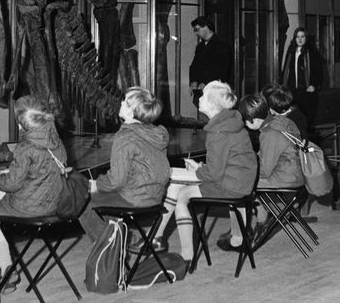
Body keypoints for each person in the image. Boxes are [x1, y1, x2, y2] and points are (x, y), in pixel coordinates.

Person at [153, 81, 257, 264]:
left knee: (175, 185)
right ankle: (156, 238)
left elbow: (214, 174)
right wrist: (201, 167)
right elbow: (226, 162)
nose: (199, 98)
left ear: (212, 105)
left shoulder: (218, 132)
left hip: (230, 186)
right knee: (177, 186)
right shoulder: (231, 121)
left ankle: (184, 255)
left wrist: (199, 170)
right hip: (241, 182)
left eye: (203, 96)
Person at [0, 96, 66, 292]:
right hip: (53, 204)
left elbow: (13, 183)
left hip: (29, 208)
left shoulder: (25, 147)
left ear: (22, 124)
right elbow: (43, 173)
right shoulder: (57, 140)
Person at [78, 87, 170, 242]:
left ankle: (115, 246)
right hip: (155, 196)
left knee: (81, 201)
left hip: (133, 198)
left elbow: (116, 181)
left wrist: (96, 184)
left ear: (131, 111)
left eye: (125, 102)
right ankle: (122, 240)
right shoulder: (157, 133)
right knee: (106, 200)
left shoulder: (126, 136)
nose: (120, 102)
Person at [229, 93, 303, 248]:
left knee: (234, 187)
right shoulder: (281, 121)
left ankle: (238, 238)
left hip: (284, 179)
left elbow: (264, 171)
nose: (246, 126)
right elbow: (269, 156)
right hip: (294, 174)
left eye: (246, 123)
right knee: (245, 180)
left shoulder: (269, 134)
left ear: (253, 119)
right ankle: (261, 223)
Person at [281, 27, 324, 127]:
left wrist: (314, 85)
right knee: (293, 120)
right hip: (292, 91)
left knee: (307, 121)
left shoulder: (312, 52)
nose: (300, 39)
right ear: (294, 38)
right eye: (297, 37)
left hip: (307, 92)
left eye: (302, 37)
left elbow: (319, 72)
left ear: (306, 38)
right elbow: (286, 71)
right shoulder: (291, 51)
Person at [189, 16, 233, 111]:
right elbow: (194, 66)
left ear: (206, 27)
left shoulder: (222, 46)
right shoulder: (200, 47)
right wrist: (193, 81)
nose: (195, 33)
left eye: (197, 30)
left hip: (215, 93)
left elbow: (223, 70)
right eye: (194, 31)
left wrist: (207, 82)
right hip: (201, 92)